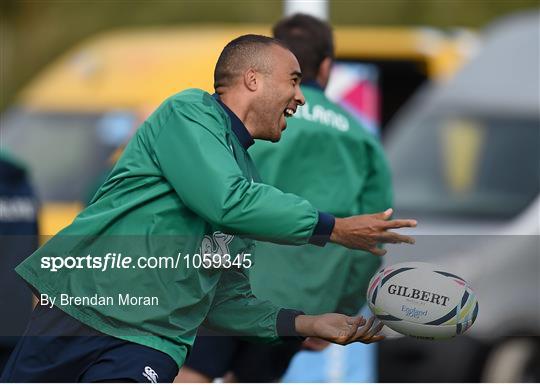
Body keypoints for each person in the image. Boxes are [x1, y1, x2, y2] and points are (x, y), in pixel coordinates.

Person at [1, 34, 416, 383]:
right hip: (75, 313)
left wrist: (307, 322)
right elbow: (226, 201)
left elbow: (224, 301)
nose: (299, 97)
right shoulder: (187, 113)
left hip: (149, 344)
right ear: (253, 79)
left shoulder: (246, 177)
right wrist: (334, 228)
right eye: (292, 81)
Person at [178, 15, 394, 383]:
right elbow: (372, 238)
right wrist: (334, 312)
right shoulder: (363, 139)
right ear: (327, 66)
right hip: (301, 303)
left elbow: (201, 200)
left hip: (221, 288)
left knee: (190, 373)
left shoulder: (247, 120)